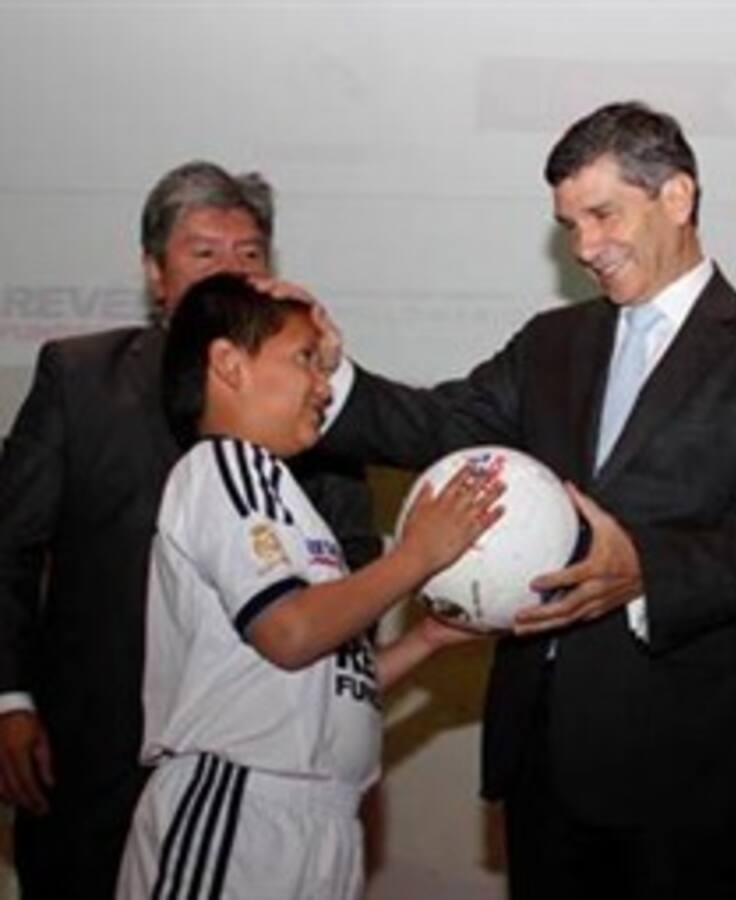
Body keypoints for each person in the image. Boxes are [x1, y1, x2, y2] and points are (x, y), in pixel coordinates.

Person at [319, 101, 736, 898]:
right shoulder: (551, 343)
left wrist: (645, 571)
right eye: (570, 226)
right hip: (544, 762)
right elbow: (442, 423)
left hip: (692, 770)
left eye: (603, 215)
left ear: (677, 196)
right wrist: (326, 376)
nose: (584, 247)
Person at [0, 161, 379, 898]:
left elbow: (354, 560)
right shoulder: (80, 377)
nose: (230, 272)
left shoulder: (311, 402)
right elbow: (9, 545)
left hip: (255, 764)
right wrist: (10, 700)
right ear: (155, 273)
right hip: (86, 748)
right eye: (204, 253)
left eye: (249, 255)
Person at [115, 274, 499, 898]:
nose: (323, 386)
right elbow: (289, 633)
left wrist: (425, 640)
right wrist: (418, 555)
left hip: (325, 817)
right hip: (237, 804)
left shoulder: (288, 499)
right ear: (229, 364)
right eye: (305, 360)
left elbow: (326, 676)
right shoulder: (225, 466)